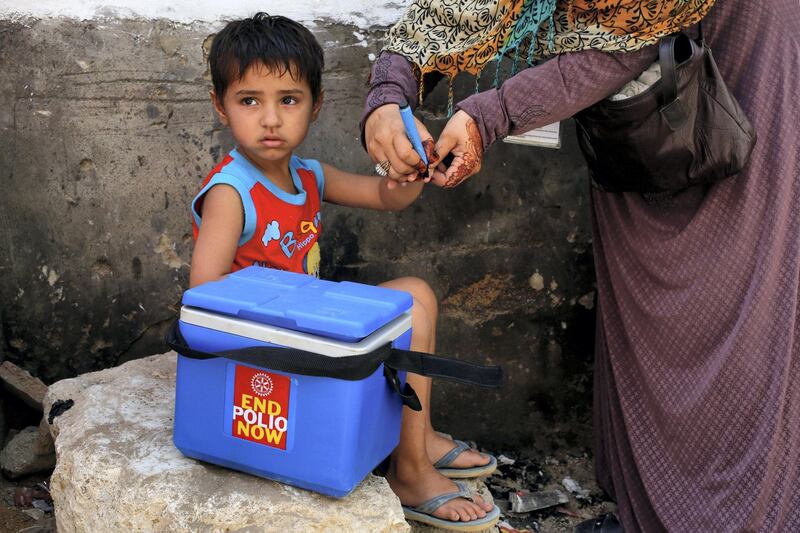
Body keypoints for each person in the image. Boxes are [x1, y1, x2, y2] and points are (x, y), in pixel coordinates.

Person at [363, 1, 800, 531]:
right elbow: (456, 13)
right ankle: (650, 504)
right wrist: (388, 94)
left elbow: (627, 39)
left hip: (735, 96)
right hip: (647, 135)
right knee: (654, 324)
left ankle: (732, 517)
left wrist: (490, 113)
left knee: (737, 317)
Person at [189, 13, 500, 531]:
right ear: (221, 108)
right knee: (406, 315)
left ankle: (416, 437)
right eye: (250, 101)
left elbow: (384, 195)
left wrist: (414, 162)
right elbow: (203, 299)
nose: (270, 119)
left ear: (316, 106)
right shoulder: (231, 192)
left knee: (416, 296)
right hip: (265, 351)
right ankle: (411, 469)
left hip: (312, 331)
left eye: (288, 100)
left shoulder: (307, 175)